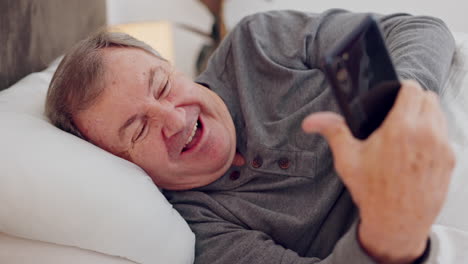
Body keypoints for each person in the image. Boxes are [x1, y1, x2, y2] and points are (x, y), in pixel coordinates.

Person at [45, 9, 456, 264]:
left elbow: (421, 30)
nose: (172, 118)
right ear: (121, 165)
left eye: (162, 85)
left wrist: (396, 110)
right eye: (138, 129)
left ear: (173, 66)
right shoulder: (199, 230)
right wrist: (388, 232)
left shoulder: (257, 42)